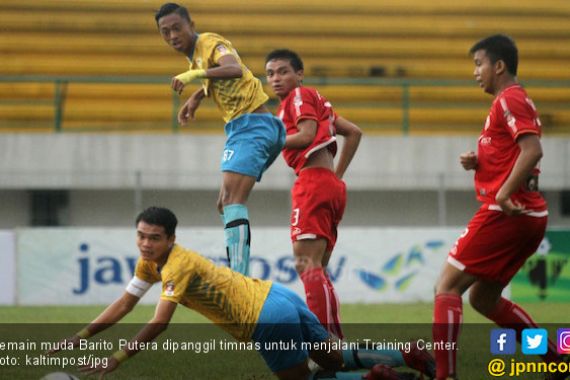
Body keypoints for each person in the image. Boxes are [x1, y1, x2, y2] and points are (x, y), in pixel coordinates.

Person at [50, 207, 434, 380]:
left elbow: (159, 322)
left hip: (266, 319)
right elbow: (126, 302)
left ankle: (377, 379)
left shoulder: (177, 264)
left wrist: (117, 358)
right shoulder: (148, 264)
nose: (146, 243)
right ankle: (410, 356)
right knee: (332, 356)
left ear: (171, 239)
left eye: (154, 238)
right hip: (279, 296)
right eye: (141, 236)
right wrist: (81, 337)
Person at [432, 34, 566, 380]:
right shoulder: (509, 102)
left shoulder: (510, 99)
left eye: (479, 64)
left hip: (507, 210)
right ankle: (554, 361)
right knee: (483, 299)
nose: (476, 72)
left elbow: (533, 150)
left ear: (500, 66)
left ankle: (444, 375)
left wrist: (504, 193)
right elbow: (515, 151)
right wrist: (479, 161)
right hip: (528, 213)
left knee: (446, 288)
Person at [155, 3, 286, 275]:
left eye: (176, 28)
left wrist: (195, 76)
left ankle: (239, 276)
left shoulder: (210, 41)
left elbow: (234, 69)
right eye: (165, 32)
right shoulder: (196, 56)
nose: (172, 36)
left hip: (252, 126)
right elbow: (216, 77)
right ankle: (238, 266)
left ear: (191, 25)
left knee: (232, 201)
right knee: (224, 203)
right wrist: (196, 97)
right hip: (249, 128)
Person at [265, 49, 362, 340]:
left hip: (313, 182)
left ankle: (325, 343)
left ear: (299, 74)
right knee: (316, 267)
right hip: (328, 184)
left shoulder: (298, 96)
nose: (276, 78)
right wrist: (336, 176)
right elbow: (354, 132)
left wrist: (268, 138)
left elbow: (306, 137)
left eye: (283, 71)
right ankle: (334, 341)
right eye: (270, 73)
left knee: (306, 264)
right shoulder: (315, 101)